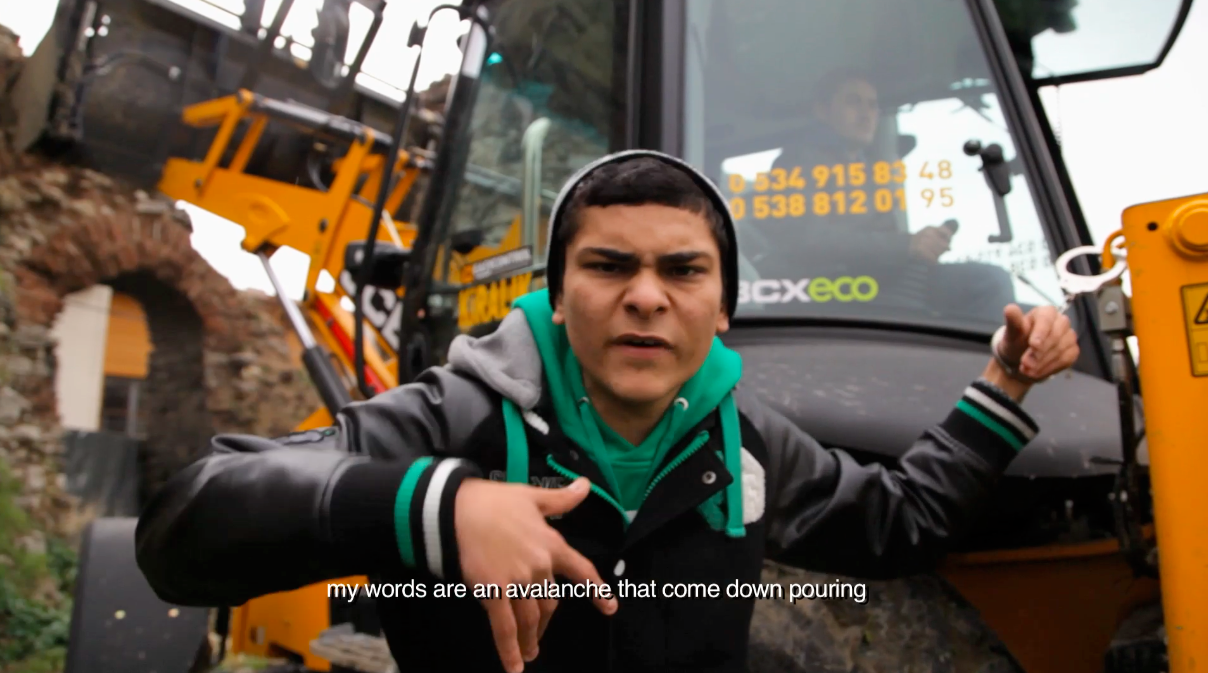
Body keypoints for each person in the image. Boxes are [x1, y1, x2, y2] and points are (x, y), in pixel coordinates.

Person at [135, 151, 1080, 673]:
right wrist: (439, 504)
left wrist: (1002, 388)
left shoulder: (745, 441)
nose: (646, 296)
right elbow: (187, 522)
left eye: (683, 270)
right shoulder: (455, 416)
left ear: (722, 306)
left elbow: (899, 523)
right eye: (609, 265)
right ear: (557, 293)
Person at [751, 69, 1016, 324]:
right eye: (853, 102)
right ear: (822, 110)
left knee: (1020, 312)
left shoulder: (868, 170)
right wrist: (905, 245)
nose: (866, 114)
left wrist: (922, 246)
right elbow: (805, 238)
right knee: (990, 283)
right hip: (842, 289)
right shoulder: (798, 161)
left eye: (872, 105)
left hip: (888, 282)